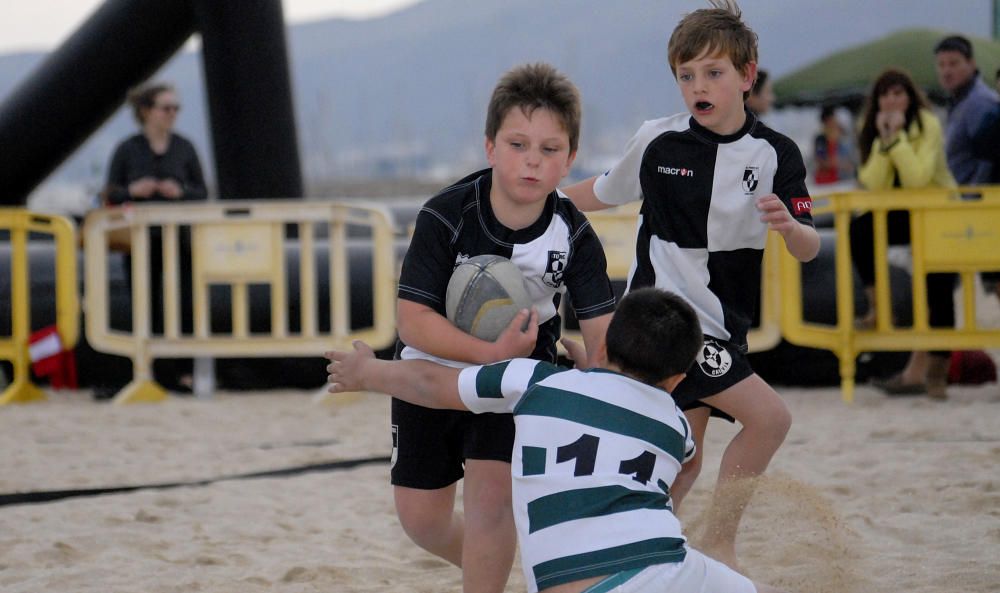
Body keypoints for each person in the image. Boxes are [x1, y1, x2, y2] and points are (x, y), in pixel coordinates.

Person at [561, 0, 819, 569]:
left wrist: (789, 226)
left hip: (722, 326)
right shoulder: (658, 140)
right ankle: (719, 543)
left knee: (685, 461)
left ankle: (628, 553)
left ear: (747, 75)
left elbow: (809, 247)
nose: (697, 86)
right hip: (666, 322)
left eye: (712, 72)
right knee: (770, 418)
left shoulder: (777, 153)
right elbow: (599, 193)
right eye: (686, 75)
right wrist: (535, 199)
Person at [327, 288, 787, 593]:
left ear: (603, 348)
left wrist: (367, 373)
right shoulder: (675, 426)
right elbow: (683, 466)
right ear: (677, 381)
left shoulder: (535, 382)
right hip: (660, 570)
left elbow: (430, 384)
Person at [391, 63, 617, 593]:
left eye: (549, 149)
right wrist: (487, 353)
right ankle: (486, 568)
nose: (532, 160)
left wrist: (598, 370)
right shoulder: (445, 215)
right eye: (518, 145)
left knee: (492, 503)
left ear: (570, 159)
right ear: (490, 147)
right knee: (421, 520)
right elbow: (412, 321)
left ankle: (485, 577)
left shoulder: (575, 235)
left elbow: (603, 334)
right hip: (432, 369)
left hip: (521, 370)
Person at [851, 68, 957, 400]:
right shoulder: (870, 126)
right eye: (885, 94)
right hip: (900, 212)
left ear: (910, 97)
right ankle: (878, 305)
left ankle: (936, 373)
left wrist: (896, 139)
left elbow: (918, 178)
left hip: (936, 213)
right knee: (860, 228)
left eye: (898, 93)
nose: (892, 100)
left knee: (938, 289)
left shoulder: (927, 124)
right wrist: (884, 140)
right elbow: (872, 182)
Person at [102, 82, 207, 394]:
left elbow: (202, 192)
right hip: (139, 242)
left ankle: (185, 374)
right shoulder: (127, 148)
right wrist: (133, 191)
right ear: (146, 111)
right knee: (144, 305)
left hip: (181, 241)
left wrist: (180, 192)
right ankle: (147, 371)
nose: (172, 114)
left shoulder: (185, 147)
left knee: (184, 304)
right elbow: (110, 192)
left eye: (176, 108)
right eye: (166, 108)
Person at [933, 35, 998, 186]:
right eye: (941, 65)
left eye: (953, 64)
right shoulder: (959, 101)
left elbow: (989, 161)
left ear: (971, 64)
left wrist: (974, 195)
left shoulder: (980, 103)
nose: (946, 71)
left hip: (976, 197)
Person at [812, 104, 855, 184]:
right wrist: (840, 164)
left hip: (840, 179)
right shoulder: (820, 139)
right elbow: (821, 161)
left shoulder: (841, 137)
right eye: (833, 119)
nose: (835, 121)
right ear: (827, 121)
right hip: (825, 180)